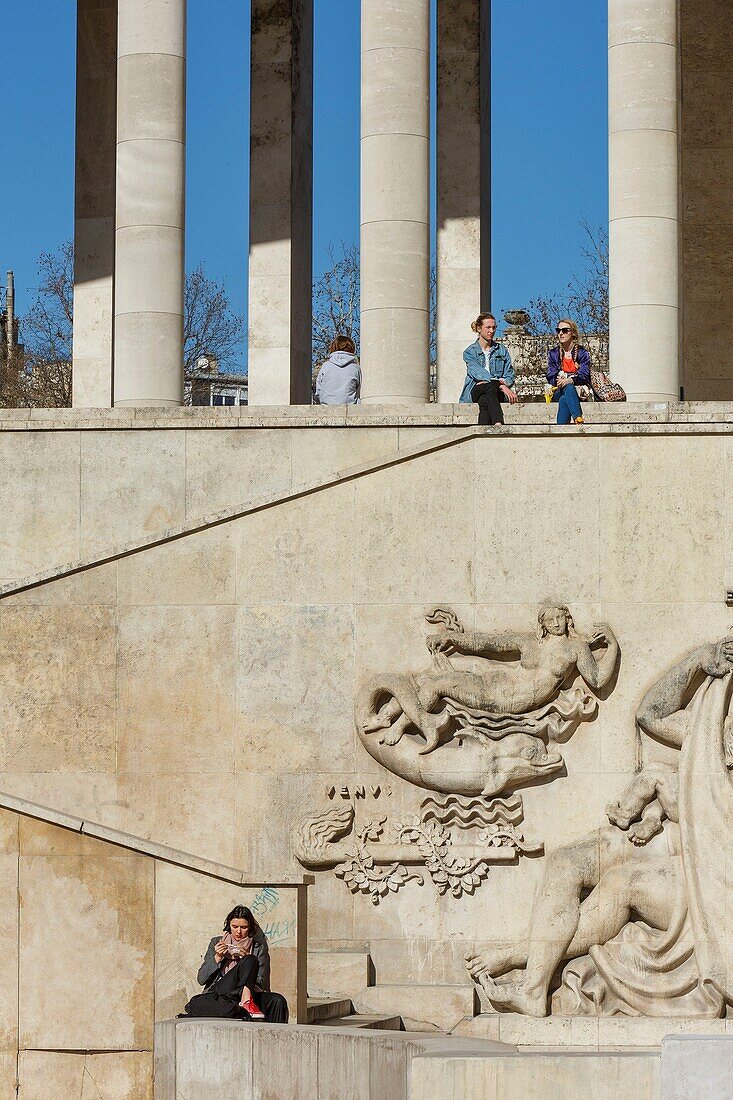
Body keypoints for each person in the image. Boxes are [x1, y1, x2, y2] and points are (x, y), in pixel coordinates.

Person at [185, 905, 289, 1022]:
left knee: (278, 1000)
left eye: (243, 927)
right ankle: (245, 1002)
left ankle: (276, 1037)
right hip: (221, 991)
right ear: (229, 925)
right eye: (235, 927)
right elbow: (201, 979)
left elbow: (259, 981)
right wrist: (218, 957)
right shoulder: (216, 942)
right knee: (250, 960)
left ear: (250, 928)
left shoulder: (257, 948)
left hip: (246, 992)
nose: (238, 932)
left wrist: (246, 964)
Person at [459, 313, 518, 426]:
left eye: (494, 327)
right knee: (490, 387)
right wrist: (500, 384)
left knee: (485, 400)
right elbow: (476, 372)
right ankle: (498, 422)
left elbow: (509, 374)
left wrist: (504, 383)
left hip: (495, 393)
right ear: (479, 328)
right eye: (488, 327)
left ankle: (484, 433)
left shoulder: (501, 350)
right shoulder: (470, 352)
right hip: (476, 389)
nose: (492, 330)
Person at [546, 318, 591, 425]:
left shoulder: (582, 353)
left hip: (578, 391)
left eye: (565, 330)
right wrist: (561, 380)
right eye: (558, 330)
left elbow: (584, 375)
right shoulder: (553, 353)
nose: (561, 333)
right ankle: (577, 416)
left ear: (573, 333)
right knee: (567, 388)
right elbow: (551, 375)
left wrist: (570, 379)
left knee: (564, 399)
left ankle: (561, 430)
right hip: (558, 389)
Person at [314, 336, 360, 404]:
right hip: (350, 407)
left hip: (327, 406)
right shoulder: (356, 368)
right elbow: (359, 392)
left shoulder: (326, 366)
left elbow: (318, 390)